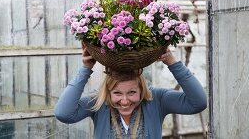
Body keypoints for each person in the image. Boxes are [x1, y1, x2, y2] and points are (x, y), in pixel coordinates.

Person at [54, 45, 207, 139]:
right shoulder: (99, 103)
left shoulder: (157, 99)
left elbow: (198, 103)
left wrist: (173, 64)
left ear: (142, 89)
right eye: (117, 93)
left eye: (132, 92)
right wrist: (86, 69)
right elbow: (63, 113)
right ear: (108, 92)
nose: (125, 101)